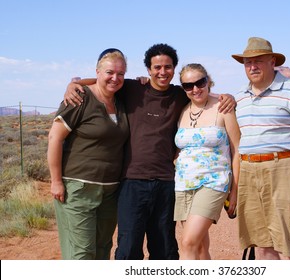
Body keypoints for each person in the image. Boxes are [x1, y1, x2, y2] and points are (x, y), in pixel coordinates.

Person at [63, 43, 236, 260]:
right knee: (128, 247)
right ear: (148, 69)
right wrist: (75, 84)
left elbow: (202, 93)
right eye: (157, 67)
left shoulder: (179, 94)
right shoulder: (132, 88)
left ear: (174, 68)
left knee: (164, 247)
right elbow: (104, 82)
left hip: (167, 183)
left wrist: (227, 96)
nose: (162, 72)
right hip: (132, 181)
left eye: (167, 67)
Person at [231, 37, 290, 260]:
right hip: (249, 171)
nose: (252, 66)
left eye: (258, 60)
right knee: (262, 245)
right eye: (248, 62)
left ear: (272, 62)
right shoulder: (240, 97)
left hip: (283, 170)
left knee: (289, 245)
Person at [47, 48, 129, 259]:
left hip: (110, 191)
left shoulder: (121, 100)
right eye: (109, 72)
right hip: (79, 188)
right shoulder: (79, 98)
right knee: (81, 253)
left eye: (121, 73)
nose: (115, 78)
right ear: (97, 72)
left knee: (102, 249)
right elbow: (55, 138)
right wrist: (55, 181)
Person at [174, 64, 240, 260]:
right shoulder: (182, 110)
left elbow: (237, 150)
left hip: (213, 182)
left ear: (208, 81)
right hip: (183, 185)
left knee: (188, 243)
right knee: (200, 247)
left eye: (200, 82)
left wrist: (234, 191)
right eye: (188, 85)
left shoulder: (223, 107)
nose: (195, 89)